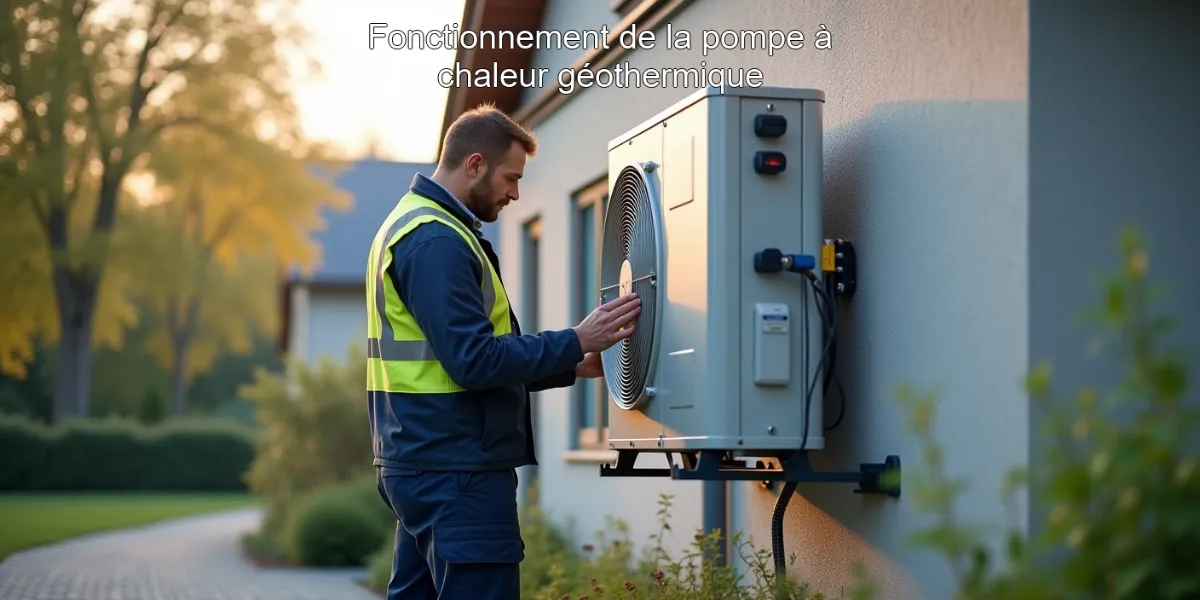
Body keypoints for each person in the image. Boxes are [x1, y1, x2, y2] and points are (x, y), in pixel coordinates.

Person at [366, 103, 641, 600]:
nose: (516, 193)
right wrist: (575, 339)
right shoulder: (436, 241)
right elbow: (472, 361)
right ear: (475, 164)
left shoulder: (412, 226)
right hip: (457, 472)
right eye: (511, 178)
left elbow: (452, 358)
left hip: (423, 462)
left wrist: (570, 362)